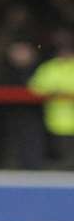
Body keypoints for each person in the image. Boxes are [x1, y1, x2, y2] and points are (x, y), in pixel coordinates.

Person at [27, 33, 74, 168]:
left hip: (66, 120)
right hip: (55, 121)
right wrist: (53, 92)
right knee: (61, 156)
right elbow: (35, 88)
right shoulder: (49, 68)